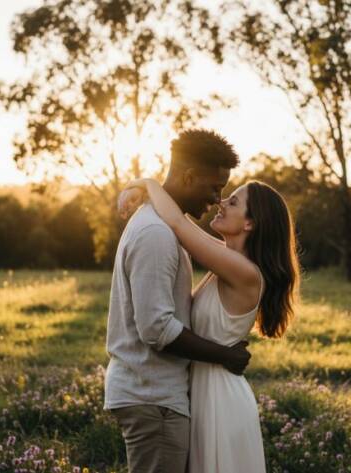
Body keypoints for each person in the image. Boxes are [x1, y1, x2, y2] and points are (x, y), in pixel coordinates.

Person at [120, 175, 300, 473]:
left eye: (233, 202)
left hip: (219, 397)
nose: (221, 202)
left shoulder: (244, 272)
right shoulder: (227, 261)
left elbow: (178, 224)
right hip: (204, 387)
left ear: (249, 223)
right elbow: (180, 224)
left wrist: (148, 184)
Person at [103, 129, 252, 473]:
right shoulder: (156, 234)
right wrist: (225, 355)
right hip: (152, 396)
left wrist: (145, 184)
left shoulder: (167, 226)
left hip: (156, 395)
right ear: (188, 177)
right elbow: (156, 328)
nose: (217, 199)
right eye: (214, 188)